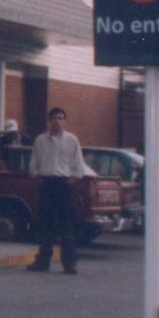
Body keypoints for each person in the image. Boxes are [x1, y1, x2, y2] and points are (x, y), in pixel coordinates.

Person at [27, 106, 93, 275]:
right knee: (45, 226)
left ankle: (69, 264)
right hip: (47, 185)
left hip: (63, 186)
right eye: (54, 118)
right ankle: (42, 262)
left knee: (66, 228)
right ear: (49, 121)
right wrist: (39, 178)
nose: (57, 121)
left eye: (61, 117)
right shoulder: (40, 140)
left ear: (64, 121)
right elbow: (34, 165)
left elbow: (78, 167)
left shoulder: (72, 140)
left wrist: (70, 182)